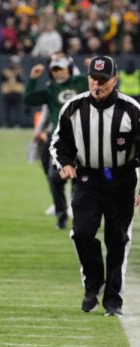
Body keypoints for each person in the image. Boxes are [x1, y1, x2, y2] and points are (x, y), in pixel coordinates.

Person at [50, 55, 140, 317]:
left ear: (115, 80)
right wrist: (65, 164)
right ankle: (93, 283)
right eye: (93, 78)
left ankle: (112, 300)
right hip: (87, 179)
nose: (97, 85)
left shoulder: (131, 109)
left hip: (121, 181)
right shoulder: (74, 107)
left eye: (103, 80)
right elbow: (59, 142)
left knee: (117, 239)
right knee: (81, 232)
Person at [23, 52, 88, 229]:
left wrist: (93, 73)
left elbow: (102, 88)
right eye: (55, 70)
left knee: (81, 179)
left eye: (61, 69)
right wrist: (32, 79)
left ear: (68, 68)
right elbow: (28, 99)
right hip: (58, 140)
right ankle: (61, 213)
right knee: (55, 178)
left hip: (82, 139)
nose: (58, 73)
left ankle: (78, 214)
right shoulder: (51, 89)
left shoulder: (81, 82)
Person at [0, 55, 24, 128]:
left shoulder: (20, 70)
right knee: (7, 109)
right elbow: (1, 78)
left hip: (17, 91)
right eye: (13, 62)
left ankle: (17, 123)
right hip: (7, 91)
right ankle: (7, 123)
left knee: (17, 109)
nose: (14, 64)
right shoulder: (5, 70)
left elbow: (22, 79)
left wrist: (18, 74)